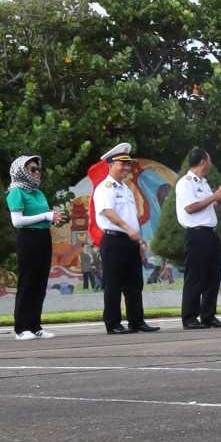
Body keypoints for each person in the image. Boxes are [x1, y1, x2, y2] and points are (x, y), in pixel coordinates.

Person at [89, 144, 158, 335]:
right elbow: (108, 212)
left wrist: (140, 241)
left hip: (130, 241)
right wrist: (128, 229)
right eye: (123, 164)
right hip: (114, 240)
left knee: (134, 283)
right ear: (111, 164)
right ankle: (113, 323)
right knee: (114, 284)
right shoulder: (105, 187)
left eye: (128, 164)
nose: (127, 168)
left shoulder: (126, 189)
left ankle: (136, 321)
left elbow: (132, 217)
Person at [175, 147, 221, 330]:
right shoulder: (186, 183)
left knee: (213, 277)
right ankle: (190, 317)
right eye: (209, 161)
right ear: (203, 162)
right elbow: (190, 208)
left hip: (210, 233)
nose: (210, 164)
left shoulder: (204, 183)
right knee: (195, 277)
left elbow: (213, 208)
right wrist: (213, 196)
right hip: (196, 234)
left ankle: (208, 315)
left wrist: (220, 198)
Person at [6, 155, 60, 340]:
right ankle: (21, 327)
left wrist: (52, 216)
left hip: (43, 237)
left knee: (40, 282)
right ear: (22, 171)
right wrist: (46, 216)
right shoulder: (16, 192)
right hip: (28, 238)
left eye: (38, 169)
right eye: (32, 169)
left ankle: (35, 325)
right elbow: (17, 221)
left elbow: (44, 215)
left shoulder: (38, 192)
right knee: (28, 281)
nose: (37, 173)